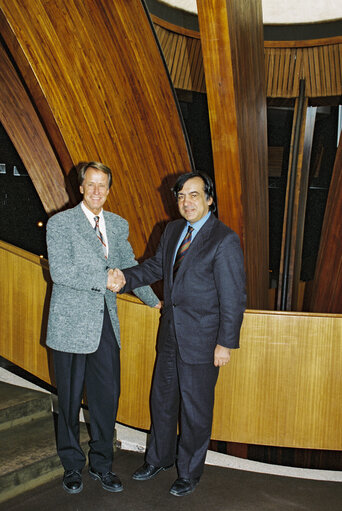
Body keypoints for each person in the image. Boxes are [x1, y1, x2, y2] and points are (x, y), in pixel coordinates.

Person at [114, 171, 246, 497]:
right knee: (162, 401)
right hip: (170, 333)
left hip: (203, 341)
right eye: (182, 196)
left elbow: (234, 297)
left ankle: (188, 472)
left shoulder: (223, 239)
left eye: (194, 195)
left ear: (209, 199)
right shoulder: (173, 230)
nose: (186, 202)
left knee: (195, 409)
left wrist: (225, 344)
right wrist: (123, 278)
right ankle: (158, 458)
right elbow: (155, 267)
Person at [46, 161, 160, 495]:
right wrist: (103, 279)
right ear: (80, 187)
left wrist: (152, 301)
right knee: (68, 401)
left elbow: (129, 266)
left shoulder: (117, 224)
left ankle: (101, 465)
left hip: (105, 324)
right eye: (91, 185)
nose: (97, 191)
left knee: (107, 398)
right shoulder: (61, 224)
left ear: (109, 190)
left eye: (103, 186)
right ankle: (71, 465)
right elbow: (61, 272)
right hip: (69, 326)